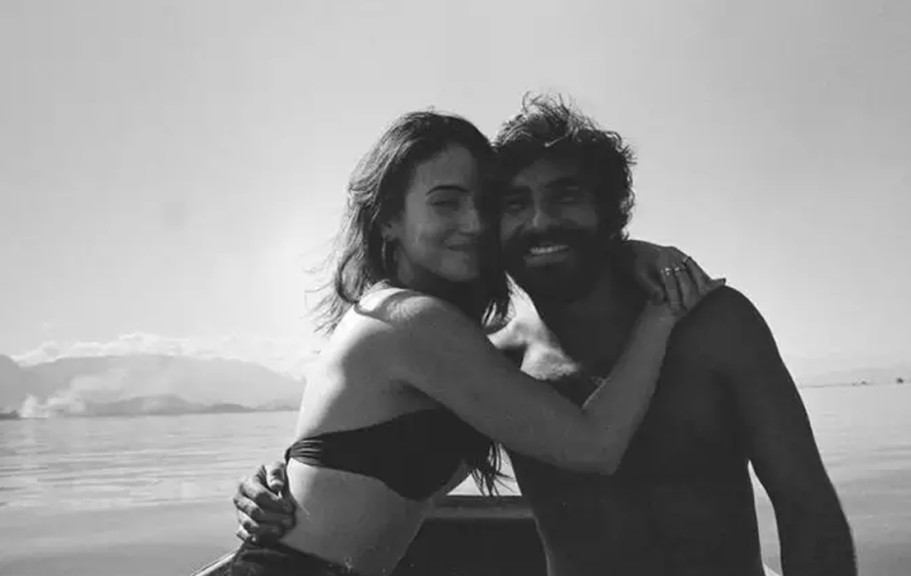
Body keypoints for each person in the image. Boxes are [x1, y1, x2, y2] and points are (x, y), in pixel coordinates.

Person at [235, 95, 857, 575]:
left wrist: (283, 483)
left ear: (610, 213)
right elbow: (581, 448)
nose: (539, 221)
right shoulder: (493, 356)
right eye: (513, 204)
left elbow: (806, 506)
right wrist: (277, 488)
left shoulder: (714, 325)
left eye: (566, 196)